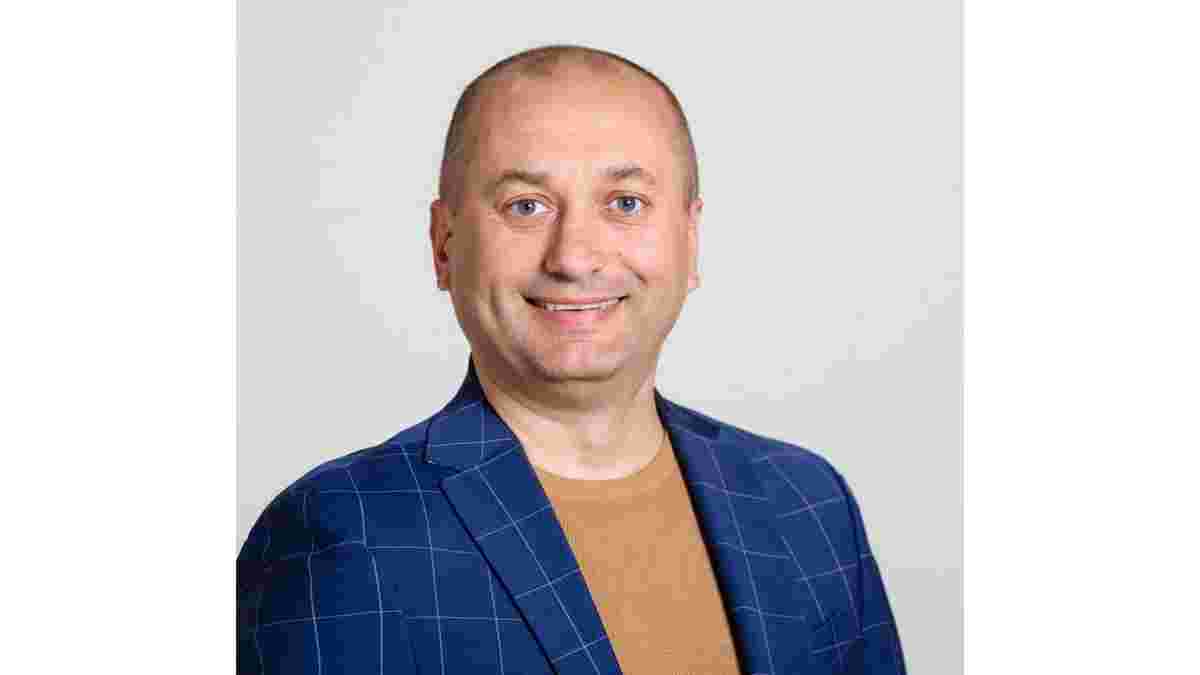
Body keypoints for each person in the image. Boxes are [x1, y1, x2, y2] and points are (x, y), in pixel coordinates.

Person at [237, 44, 906, 675]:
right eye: (526, 206)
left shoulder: (809, 504)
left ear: (690, 238)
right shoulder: (338, 531)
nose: (574, 256)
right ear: (444, 245)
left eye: (626, 203)